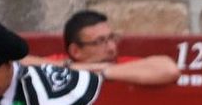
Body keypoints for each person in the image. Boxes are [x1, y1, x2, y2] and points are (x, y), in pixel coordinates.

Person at [31, 10, 180, 87]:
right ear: (76, 51)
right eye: (100, 41)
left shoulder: (121, 64)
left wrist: (103, 72)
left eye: (111, 38)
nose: (111, 47)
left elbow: (170, 69)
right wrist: (72, 68)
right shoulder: (63, 63)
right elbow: (18, 62)